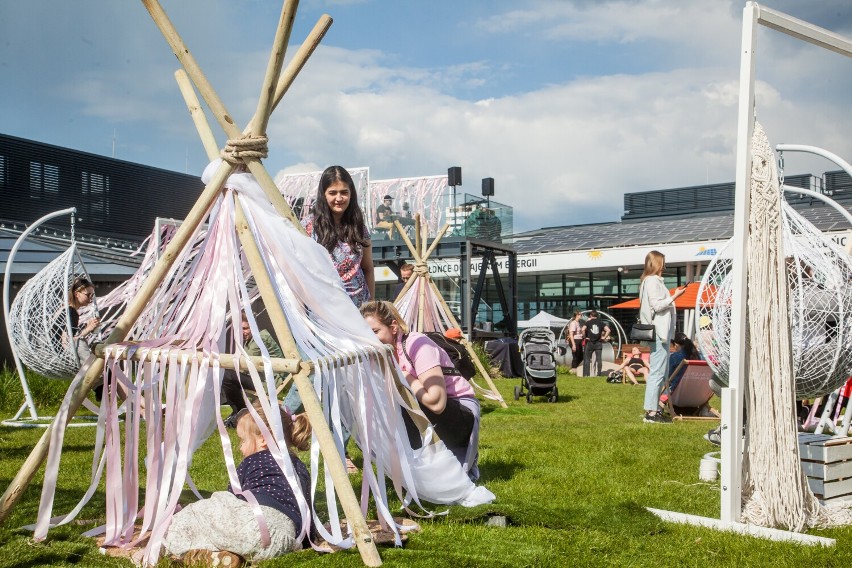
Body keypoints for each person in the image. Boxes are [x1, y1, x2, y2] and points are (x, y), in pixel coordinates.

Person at [163, 399, 312, 565]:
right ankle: (226, 556)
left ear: (263, 439)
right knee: (228, 529)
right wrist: (308, 539)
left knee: (199, 512)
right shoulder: (299, 467)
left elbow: (233, 498)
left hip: (255, 526)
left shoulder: (254, 460)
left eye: (243, 440)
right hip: (284, 539)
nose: (240, 448)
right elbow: (306, 508)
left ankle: (173, 545)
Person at [360, 301, 482, 481]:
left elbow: (437, 403)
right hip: (425, 412)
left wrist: (403, 375)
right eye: (365, 334)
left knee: (400, 410)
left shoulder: (418, 344)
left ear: (393, 327)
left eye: (375, 331)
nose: (371, 339)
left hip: (457, 411)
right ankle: (416, 468)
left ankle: (451, 457)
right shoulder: (380, 355)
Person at [302, 165, 374, 306]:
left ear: (351, 193)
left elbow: (368, 268)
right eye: (333, 193)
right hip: (325, 307)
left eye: (344, 192)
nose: (339, 198)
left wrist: (371, 305)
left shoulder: (359, 227)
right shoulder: (308, 227)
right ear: (324, 194)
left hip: (359, 306)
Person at [639, 250, 687, 424]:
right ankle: (651, 413)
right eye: (663, 262)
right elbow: (657, 306)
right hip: (659, 333)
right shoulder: (652, 281)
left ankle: (655, 409)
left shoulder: (651, 281)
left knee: (661, 371)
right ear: (657, 263)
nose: (665, 265)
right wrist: (675, 296)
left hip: (661, 333)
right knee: (658, 372)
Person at [222, 318, 286, 428]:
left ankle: (241, 413)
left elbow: (244, 364)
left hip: (270, 381)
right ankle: (239, 412)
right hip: (261, 378)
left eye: (245, 328)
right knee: (228, 376)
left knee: (227, 376)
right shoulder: (250, 339)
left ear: (253, 327)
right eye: (239, 329)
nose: (242, 332)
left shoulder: (260, 337)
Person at [54, 276, 101, 364]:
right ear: (76, 294)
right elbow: (69, 341)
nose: (90, 298)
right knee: (82, 343)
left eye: (92, 295)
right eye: (88, 295)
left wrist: (88, 328)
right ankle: (94, 371)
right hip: (61, 356)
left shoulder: (65, 308)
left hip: (54, 351)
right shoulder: (71, 311)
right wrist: (88, 329)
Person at [581, 310, 610, 377]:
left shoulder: (588, 322)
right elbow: (608, 330)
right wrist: (604, 337)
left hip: (590, 342)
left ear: (590, 316)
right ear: (597, 316)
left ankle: (587, 374)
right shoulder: (601, 322)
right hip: (598, 342)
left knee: (587, 358)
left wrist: (585, 337)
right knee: (599, 359)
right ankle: (599, 373)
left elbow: (582, 329)